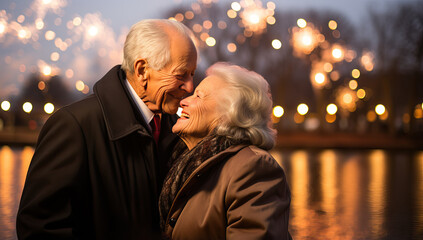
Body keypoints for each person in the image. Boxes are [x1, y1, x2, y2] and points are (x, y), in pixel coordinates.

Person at [16, 19, 197, 239]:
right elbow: (40, 229)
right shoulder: (74, 126)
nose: (190, 86)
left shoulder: (176, 129)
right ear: (142, 70)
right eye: (181, 75)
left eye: (192, 74)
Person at [159, 62, 292, 239]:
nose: (184, 101)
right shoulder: (181, 160)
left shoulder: (253, 167)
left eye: (198, 96)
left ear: (229, 114)